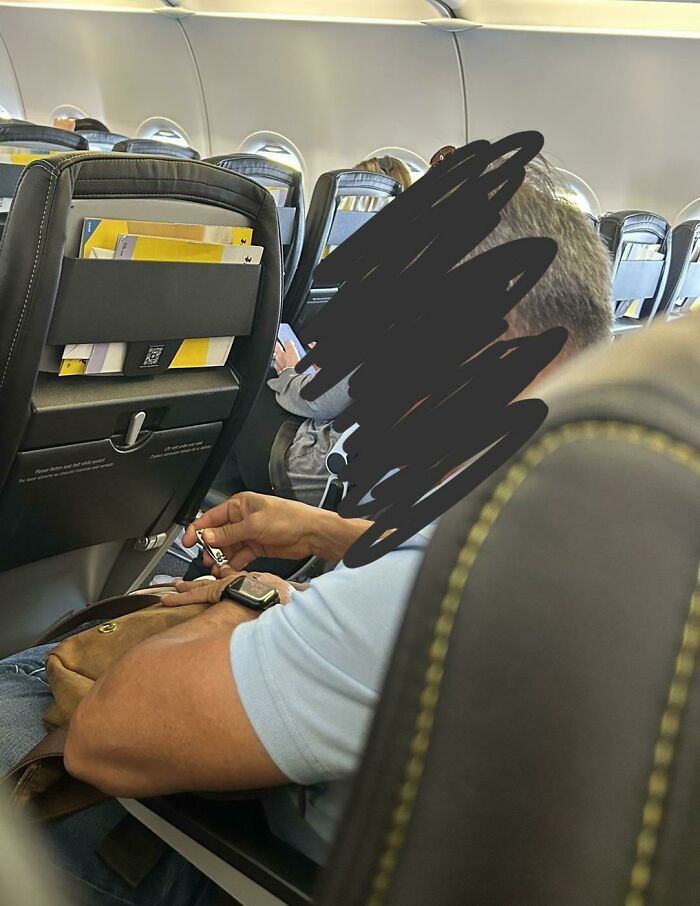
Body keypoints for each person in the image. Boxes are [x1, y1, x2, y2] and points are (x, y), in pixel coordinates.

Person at [0, 158, 613, 904]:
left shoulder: (438, 589)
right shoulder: (596, 490)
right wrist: (331, 534)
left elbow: (107, 740)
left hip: (253, 864)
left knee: (34, 692)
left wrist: (248, 600)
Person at [268, 155, 413, 507]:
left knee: (258, 390)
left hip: (325, 471)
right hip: (378, 471)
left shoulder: (391, 305)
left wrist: (289, 372)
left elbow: (315, 400)